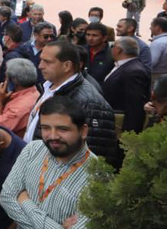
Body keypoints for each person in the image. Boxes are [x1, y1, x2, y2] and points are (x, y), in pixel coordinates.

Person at [0, 97, 97, 229]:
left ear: (83, 131)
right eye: (45, 128)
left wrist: (25, 202)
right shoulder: (33, 150)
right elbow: (6, 197)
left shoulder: (96, 177)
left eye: (62, 129)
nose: (52, 136)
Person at [24, 40, 119, 168]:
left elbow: (96, 155)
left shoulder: (89, 102)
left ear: (67, 66)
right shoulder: (49, 88)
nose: (40, 65)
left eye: (47, 61)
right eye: (41, 60)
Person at [102, 37, 151, 134]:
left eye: (113, 46)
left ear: (119, 50)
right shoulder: (122, 66)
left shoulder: (134, 71)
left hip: (120, 125)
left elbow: (134, 105)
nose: (111, 49)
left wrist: (128, 134)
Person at [0, 58, 41, 138]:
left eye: (6, 78)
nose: (5, 81)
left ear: (14, 80)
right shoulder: (31, 92)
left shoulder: (20, 107)